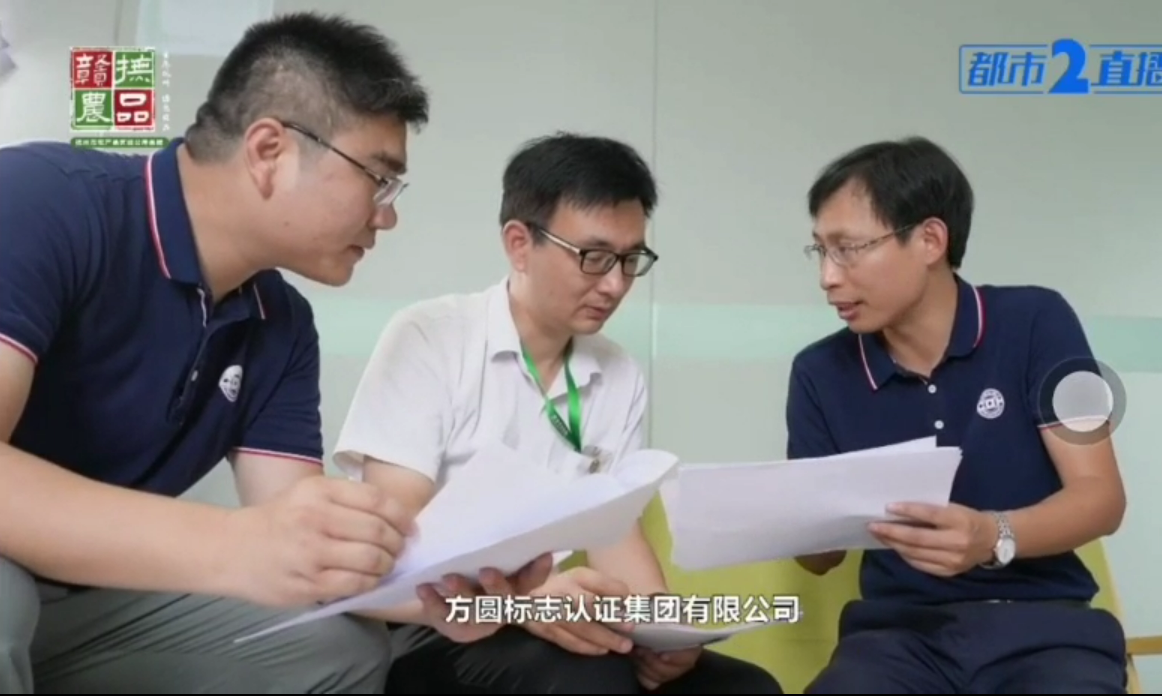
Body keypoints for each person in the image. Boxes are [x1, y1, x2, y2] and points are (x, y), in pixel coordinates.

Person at [0, 12, 544, 694]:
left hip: (85, 602)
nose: (387, 215)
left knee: (333, 647)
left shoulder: (281, 325)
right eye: (377, 179)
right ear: (268, 151)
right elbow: (253, 546)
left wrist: (458, 591)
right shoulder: (40, 202)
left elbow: (306, 550)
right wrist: (234, 544)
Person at [334, 132, 785, 694]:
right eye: (594, 258)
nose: (615, 284)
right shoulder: (431, 338)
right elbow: (398, 552)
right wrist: (521, 603)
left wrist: (665, 632)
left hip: (543, 616)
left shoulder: (618, 373)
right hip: (431, 624)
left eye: (631, 259)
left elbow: (614, 532)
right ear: (519, 244)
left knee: (745, 688)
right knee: (590, 679)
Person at [787, 136, 1129, 694]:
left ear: (929, 239)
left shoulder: (1037, 321)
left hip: (1047, 632)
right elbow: (819, 558)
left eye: (848, 249)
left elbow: (1101, 498)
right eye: (820, 251)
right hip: (896, 642)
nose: (828, 276)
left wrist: (993, 534)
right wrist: (787, 523)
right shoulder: (818, 372)